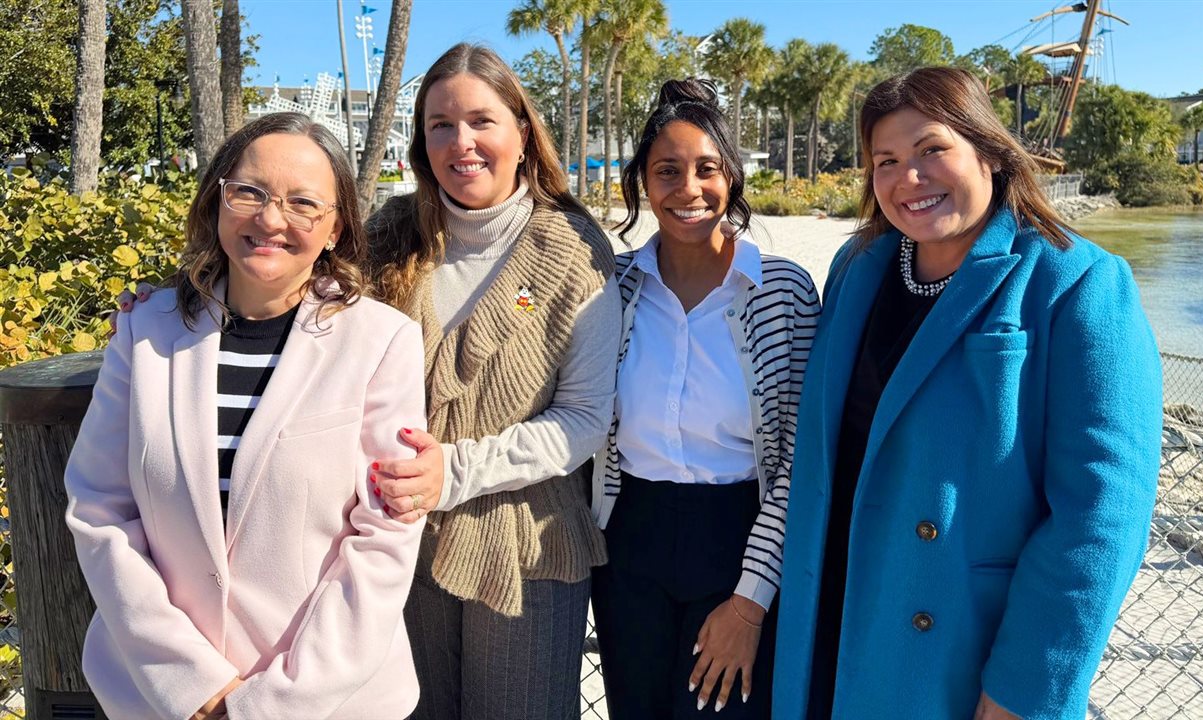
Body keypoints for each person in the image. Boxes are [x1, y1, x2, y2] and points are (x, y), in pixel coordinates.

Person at [773, 67, 1163, 720]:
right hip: (829, 620)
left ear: (989, 151)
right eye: (885, 161)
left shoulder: (1075, 282)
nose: (908, 178)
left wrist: (1023, 691)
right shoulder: (857, 267)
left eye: (931, 150)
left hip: (959, 647)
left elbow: (1100, 518)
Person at [65, 112, 426, 720]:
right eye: (250, 192)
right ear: (217, 201)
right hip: (158, 697)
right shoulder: (145, 329)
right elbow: (100, 509)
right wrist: (192, 686)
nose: (271, 219)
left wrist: (271, 704)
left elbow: (383, 536)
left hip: (327, 700)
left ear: (336, 228)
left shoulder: (381, 341)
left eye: (303, 203)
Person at [363, 43, 621, 720]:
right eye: (441, 125)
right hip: (396, 544)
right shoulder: (389, 237)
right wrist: (179, 301)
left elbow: (584, 419)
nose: (462, 142)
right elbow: (291, 301)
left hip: (526, 551)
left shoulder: (573, 250)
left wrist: (450, 473)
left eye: (482, 121)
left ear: (523, 133)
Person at [590, 78, 819, 719]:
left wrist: (750, 603)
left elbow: (800, 460)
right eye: (667, 171)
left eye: (706, 169)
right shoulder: (614, 287)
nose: (688, 189)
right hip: (628, 544)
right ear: (642, 183)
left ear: (732, 177)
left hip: (738, 543)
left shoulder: (783, 292)